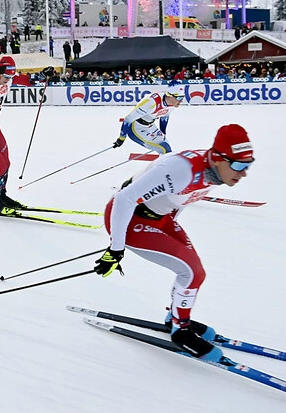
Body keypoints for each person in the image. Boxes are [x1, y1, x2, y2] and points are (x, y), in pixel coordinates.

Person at [94, 124, 255, 362]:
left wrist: (170, 225)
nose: (244, 174)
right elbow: (124, 198)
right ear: (219, 159)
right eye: (239, 166)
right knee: (192, 271)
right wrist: (116, 249)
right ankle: (181, 331)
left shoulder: (214, 171)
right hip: (130, 220)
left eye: (248, 165)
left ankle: (176, 318)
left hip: (161, 218)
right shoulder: (180, 170)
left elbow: (180, 200)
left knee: (194, 272)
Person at [0, 56, 51, 213]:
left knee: (6, 163)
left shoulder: (8, 78)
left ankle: (2, 194)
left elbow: (27, 80)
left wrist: (43, 74)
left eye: (10, 77)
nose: (8, 81)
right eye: (6, 77)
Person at [112, 82, 185, 154]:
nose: (181, 101)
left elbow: (164, 117)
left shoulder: (172, 103)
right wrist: (121, 138)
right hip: (136, 128)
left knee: (167, 149)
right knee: (164, 149)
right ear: (170, 96)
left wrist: (163, 133)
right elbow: (128, 119)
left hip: (151, 126)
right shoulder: (151, 102)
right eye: (179, 98)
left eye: (183, 97)